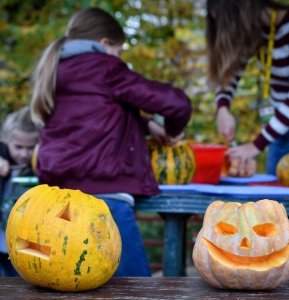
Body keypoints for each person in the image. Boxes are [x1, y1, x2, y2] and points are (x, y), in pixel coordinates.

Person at [30, 7, 191, 276]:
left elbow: (93, 117)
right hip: (107, 202)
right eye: (120, 51)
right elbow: (176, 104)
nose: (121, 58)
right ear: (105, 44)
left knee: (70, 284)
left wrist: (147, 125)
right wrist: (172, 131)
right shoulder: (106, 67)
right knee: (133, 287)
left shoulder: (55, 68)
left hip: (55, 202)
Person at [206, 0, 289, 176]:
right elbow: (230, 72)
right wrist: (222, 108)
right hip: (279, 134)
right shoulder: (259, 31)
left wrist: (254, 146)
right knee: (276, 201)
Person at [0, 106, 39, 276]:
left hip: (28, 242)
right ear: (6, 141)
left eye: (31, 147)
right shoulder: (3, 159)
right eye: (18, 147)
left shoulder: (42, 165)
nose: (24, 153)